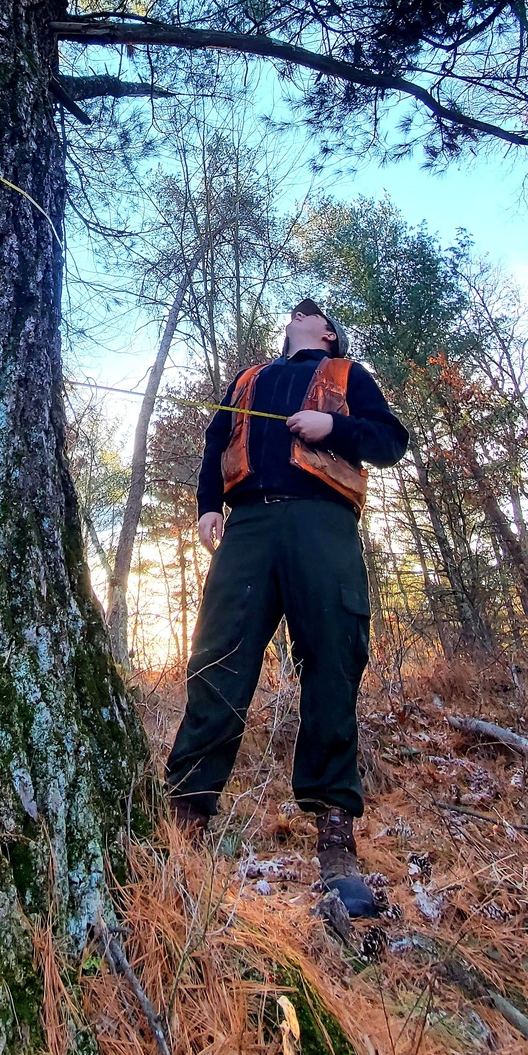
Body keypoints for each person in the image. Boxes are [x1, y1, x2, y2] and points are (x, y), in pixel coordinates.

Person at [165, 299, 408, 915]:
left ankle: (334, 840)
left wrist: (335, 429)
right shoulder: (247, 379)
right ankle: (185, 815)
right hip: (246, 528)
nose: (301, 311)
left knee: (333, 663)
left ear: (326, 333)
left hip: (322, 525)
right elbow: (216, 441)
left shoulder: (349, 376)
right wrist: (208, 505)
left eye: (315, 312)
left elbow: (390, 441)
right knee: (217, 659)